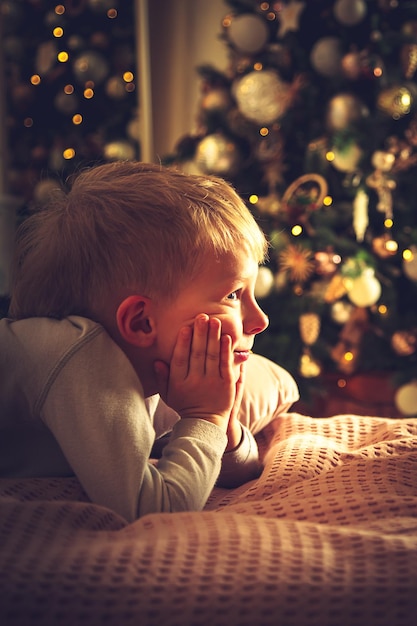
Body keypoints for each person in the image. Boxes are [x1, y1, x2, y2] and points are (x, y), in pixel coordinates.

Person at [0, 161, 298, 522]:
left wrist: (225, 421)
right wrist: (206, 417)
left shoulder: (151, 371)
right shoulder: (84, 357)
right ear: (141, 322)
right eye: (234, 294)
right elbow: (154, 510)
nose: (260, 320)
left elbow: (237, 471)